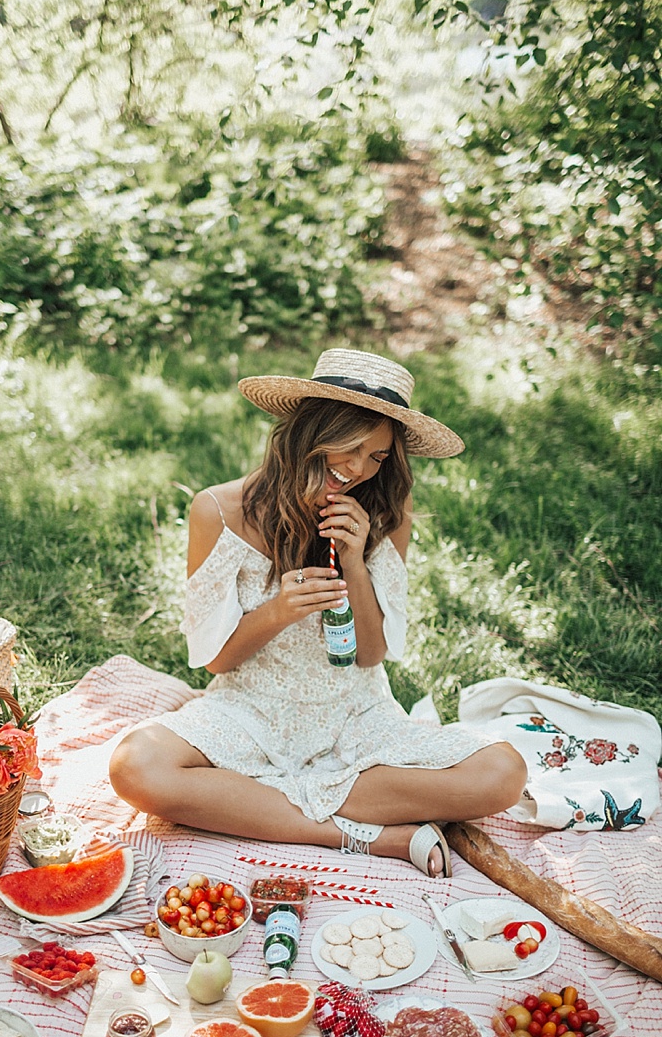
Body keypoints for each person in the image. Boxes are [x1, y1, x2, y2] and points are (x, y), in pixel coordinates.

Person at [110, 348, 527, 876]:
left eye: (377, 457)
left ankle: (254, 801)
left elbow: (370, 654)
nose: (357, 470)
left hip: (355, 714)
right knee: (135, 766)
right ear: (311, 430)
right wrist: (277, 612)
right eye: (350, 446)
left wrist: (354, 561)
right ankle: (361, 836)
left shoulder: (386, 512)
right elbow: (217, 661)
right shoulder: (218, 511)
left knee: (503, 773)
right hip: (251, 711)